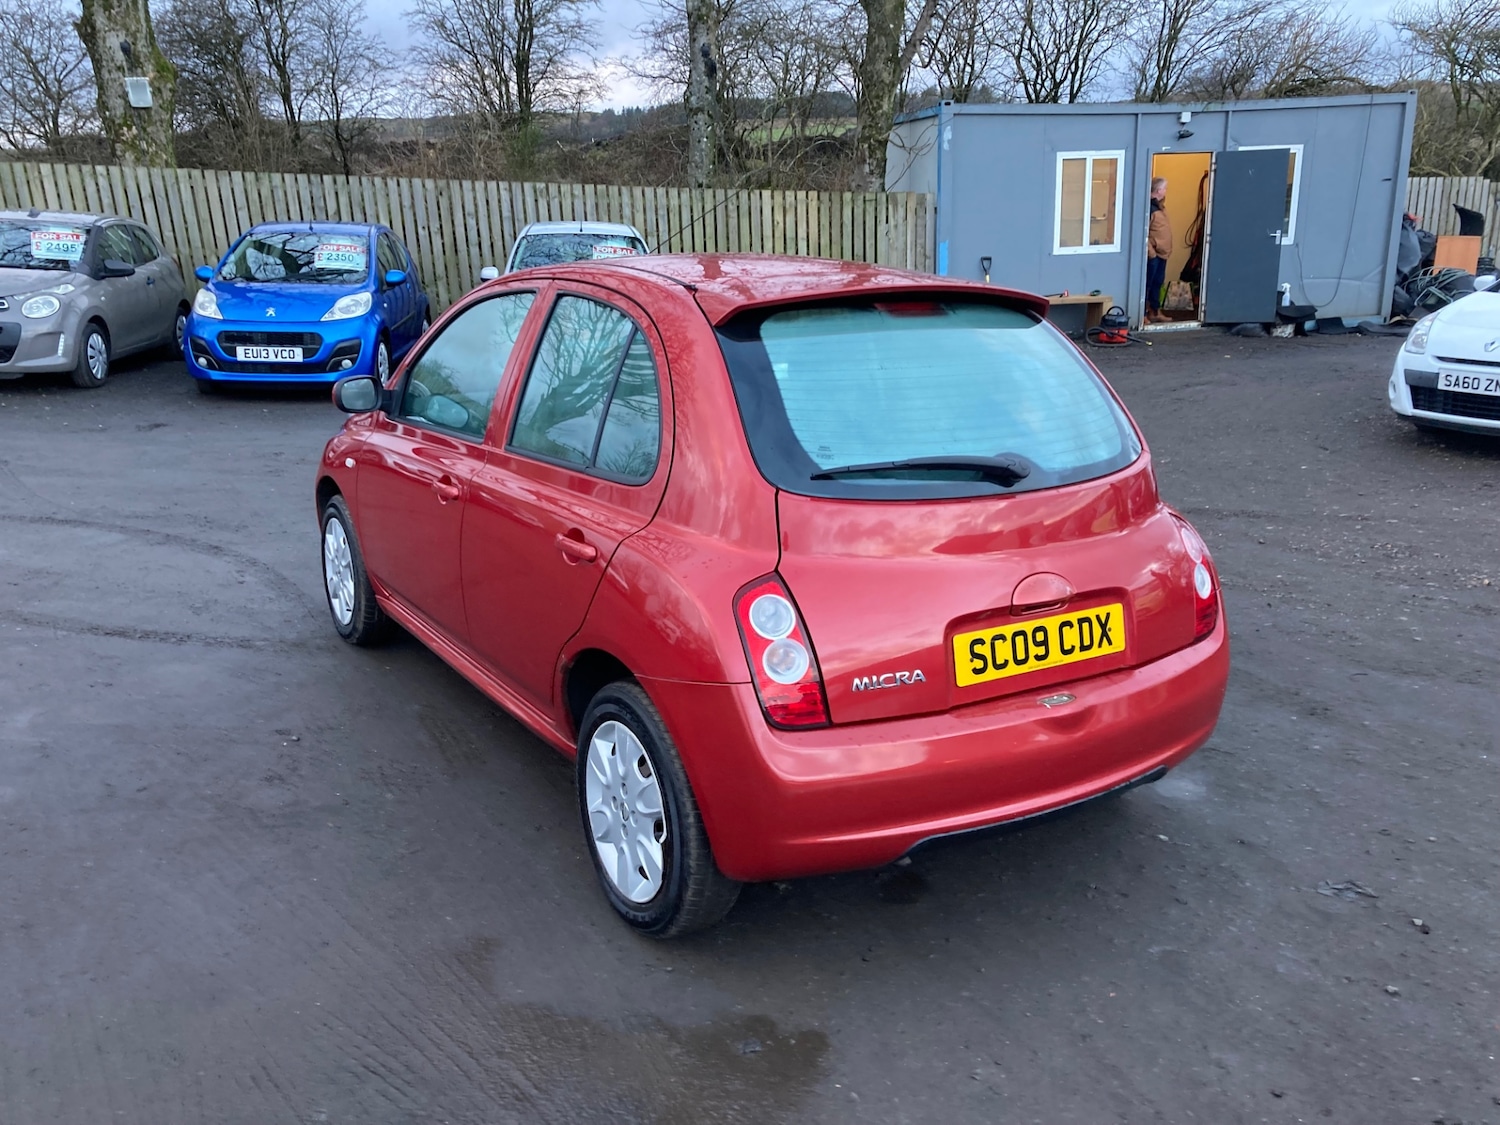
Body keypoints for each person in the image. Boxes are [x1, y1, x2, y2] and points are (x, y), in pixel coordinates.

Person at [1147, 177, 1172, 324]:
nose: (1166, 191)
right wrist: (1151, 254)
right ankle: (1144, 313)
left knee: (1157, 283)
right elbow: (1144, 232)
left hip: (1162, 254)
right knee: (1148, 284)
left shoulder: (1160, 207)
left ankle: (1155, 312)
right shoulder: (1150, 208)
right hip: (1154, 254)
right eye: (1165, 188)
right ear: (1158, 190)